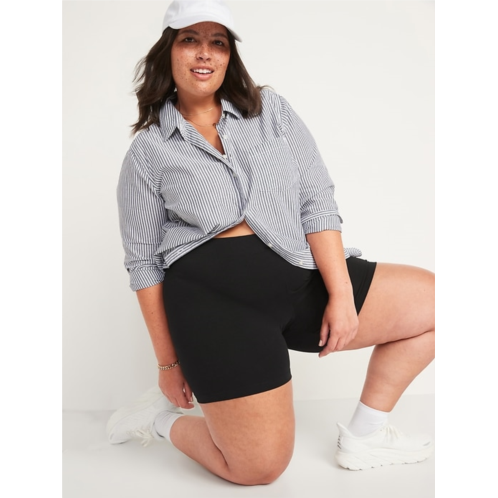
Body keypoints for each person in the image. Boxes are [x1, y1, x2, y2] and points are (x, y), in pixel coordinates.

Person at [107, 0, 435, 486]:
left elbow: (316, 200)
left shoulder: (270, 110)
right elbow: (143, 264)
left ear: (229, 56)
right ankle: (159, 421)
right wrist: (168, 364)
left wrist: (341, 294)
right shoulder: (148, 150)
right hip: (216, 308)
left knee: (429, 303)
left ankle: (367, 435)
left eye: (218, 42)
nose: (205, 53)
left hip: (299, 276)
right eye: (190, 39)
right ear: (168, 52)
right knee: (258, 468)